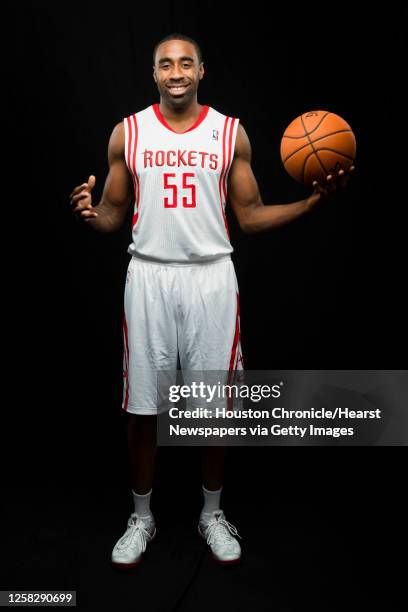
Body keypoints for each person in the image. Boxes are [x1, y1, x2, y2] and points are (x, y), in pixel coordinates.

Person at [69, 33, 354, 569]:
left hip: (211, 279)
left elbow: (250, 217)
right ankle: (142, 518)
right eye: (165, 64)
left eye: (185, 63)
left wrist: (311, 203)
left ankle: (212, 514)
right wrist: (91, 213)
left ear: (202, 71)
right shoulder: (127, 132)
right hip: (150, 276)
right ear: (154, 74)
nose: (175, 72)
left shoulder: (230, 133)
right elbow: (111, 215)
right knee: (143, 409)